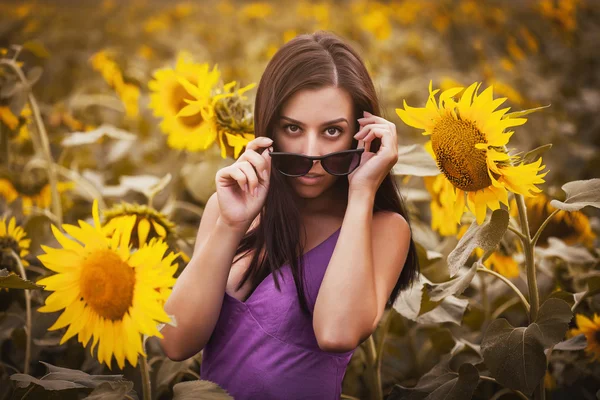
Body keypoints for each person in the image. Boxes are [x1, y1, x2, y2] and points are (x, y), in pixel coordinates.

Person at [159, 30, 420, 399]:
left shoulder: (384, 229)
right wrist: (231, 224)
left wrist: (363, 192)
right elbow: (174, 340)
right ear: (270, 127)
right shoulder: (227, 207)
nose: (310, 153)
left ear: (361, 133)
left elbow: (336, 333)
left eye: (332, 131)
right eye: (293, 128)